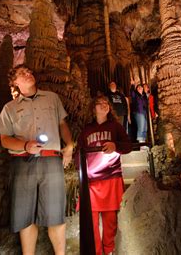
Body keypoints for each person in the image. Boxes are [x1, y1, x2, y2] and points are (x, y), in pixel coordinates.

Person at [0, 64, 74, 255]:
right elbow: (4, 139)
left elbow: (62, 124)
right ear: (15, 83)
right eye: (22, 73)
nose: (28, 74)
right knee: (24, 216)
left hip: (51, 161)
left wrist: (69, 146)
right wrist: (25, 146)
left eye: (29, 71)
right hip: (22, 163)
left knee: (55, 214)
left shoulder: (52, 98)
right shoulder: (10, 108)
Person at [75, 95, 132, 255]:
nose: (103, 105)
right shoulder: (86, 130)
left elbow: (128, 146)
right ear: (93, 109)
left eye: (106, 103)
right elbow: (79, 152)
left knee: (110, 221)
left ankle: (109, 251)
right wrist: (80, 170)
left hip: (110, 177)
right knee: (90, 221)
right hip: (91, 181)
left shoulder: (115, 126)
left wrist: (116, 145)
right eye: (99, 103)